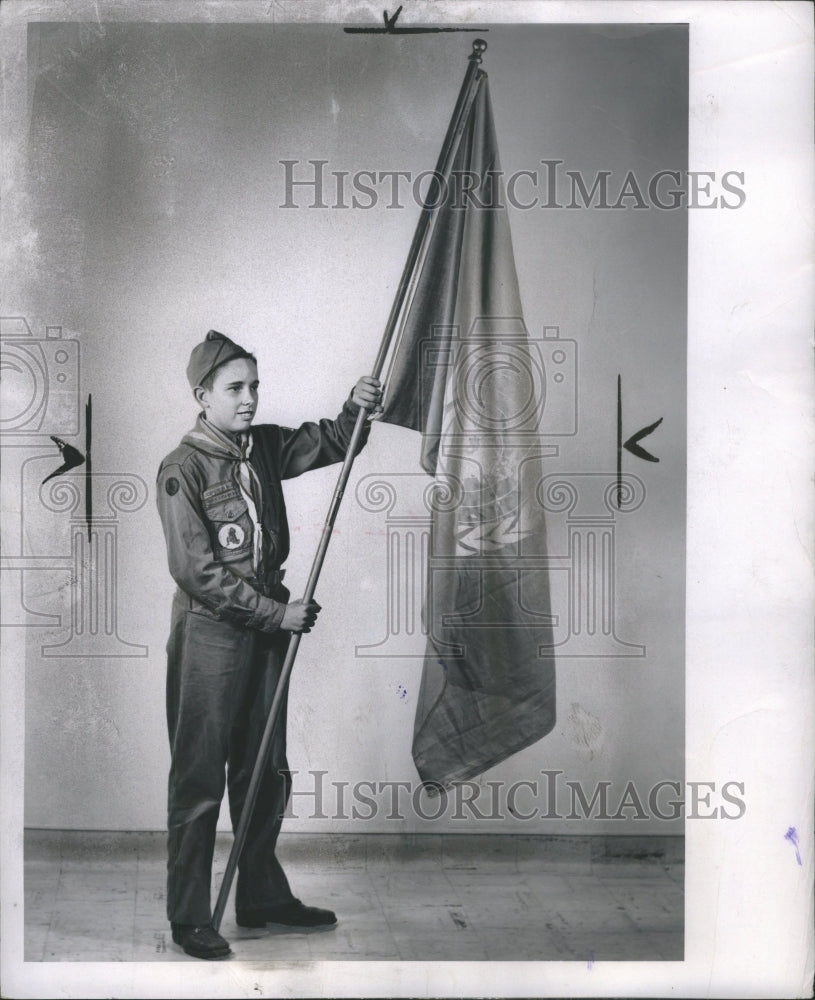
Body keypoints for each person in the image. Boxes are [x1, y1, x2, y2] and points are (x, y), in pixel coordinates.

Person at [156, 329, 382, 960]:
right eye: (235, 388)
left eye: (255, 385)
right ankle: (189, 916)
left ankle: (258, 895)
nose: (250, 398)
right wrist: (276, 613)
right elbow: (196, 572)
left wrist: (358, 403)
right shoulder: (183, 469)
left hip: (266, 634)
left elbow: (336, 440)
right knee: (200, 777)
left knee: (263, 773)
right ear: (203, 396)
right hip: (211, 636)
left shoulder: (263, 450)